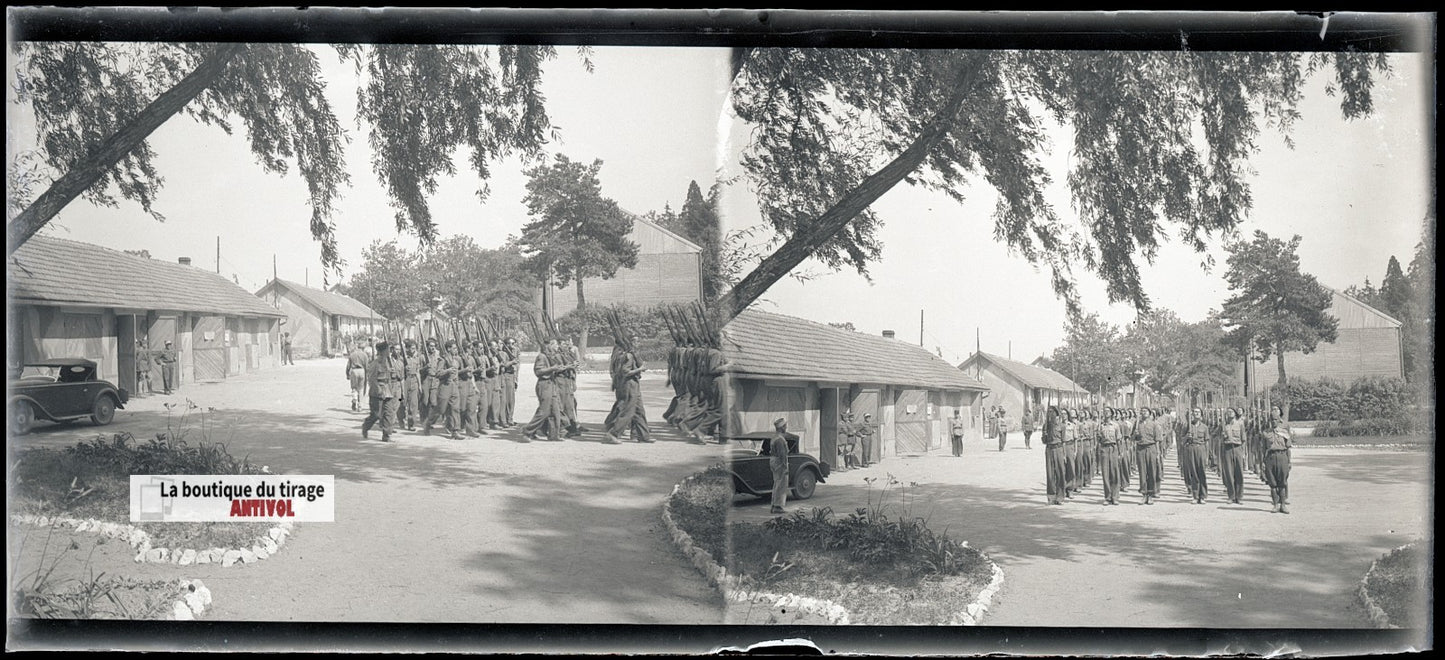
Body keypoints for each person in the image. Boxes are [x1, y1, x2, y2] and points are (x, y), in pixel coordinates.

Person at [603, 335, 651, 444]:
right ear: (631, 343)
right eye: (636, 342)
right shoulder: (628, 356)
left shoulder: (631, 354)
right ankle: (613, 433)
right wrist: (640, 369)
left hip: (635, 384)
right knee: (628, 411)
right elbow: (625, 372)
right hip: (629, 385)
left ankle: (643, 435)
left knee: (639, 411)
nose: (638, 344)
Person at [523, 336, 565, 442]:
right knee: (544, 411)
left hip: (552, 384)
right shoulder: (541, 356)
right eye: (555, 344)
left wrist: (559, 369)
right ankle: (527, 431)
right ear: (550, 345)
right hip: (544, 385)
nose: (557, 346)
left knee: (555, 410)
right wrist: (552, 368)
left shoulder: (550, 356)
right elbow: (538, 372)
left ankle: (554, 435)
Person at [424, 339, 463, 440]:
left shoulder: (456, 359)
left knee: (455, 409)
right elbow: (438, 373)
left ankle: (455, 430)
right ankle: (428, 423)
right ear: (448, 349)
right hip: (445, 386)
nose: (456, 350)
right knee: (440, 409)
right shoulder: (443, 359)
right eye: (454, 348)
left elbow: (457, 373)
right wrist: (447, 370)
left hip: (454, 385)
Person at [361, 340, 399, 442]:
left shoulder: (389, 363)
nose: (389, 352)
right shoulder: (375, 363)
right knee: (376, 415)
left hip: (388, 391)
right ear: (382, 351)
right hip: (377, 392)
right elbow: (372, 380)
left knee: (389, 413)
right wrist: (379, 391)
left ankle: (386, 435)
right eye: (387, 350)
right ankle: (366, 426)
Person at [1265, 410, 1293, 513]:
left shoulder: (1284, 432)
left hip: (1282, 457)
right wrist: (1263, 463)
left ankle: (1283, 505)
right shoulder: (1266, 433)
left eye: (1276, 419)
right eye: (1272, 420)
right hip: (1270, 458)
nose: (1274, 422)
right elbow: (1262, 449)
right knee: (1272, 483)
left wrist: (1289, 462)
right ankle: (1275, 505)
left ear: (1279, 420)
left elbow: (1288, 448)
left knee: (1282, 482)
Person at [1181, 407, 1211, 504]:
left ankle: (1202, 496)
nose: (1196, 413)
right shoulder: (1187, 426)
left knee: (1201, 472)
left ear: (1201, 414)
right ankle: (1195, 495)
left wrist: (1207, 456)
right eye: (1194, 412)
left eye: (1198, 412)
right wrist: (1187, 437)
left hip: (1201, 449)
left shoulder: (1204, 427)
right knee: (1193, 472)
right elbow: (1182, 441)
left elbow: (1207, 442)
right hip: (1191, 449)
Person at [768, 417, 796, 515]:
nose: (786, 427)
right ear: (781, 428)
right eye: (785, 426)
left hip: (773, 460)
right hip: (779, 462)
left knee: (776, 483)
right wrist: (785, 467)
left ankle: (774, 504)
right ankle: (778, 506)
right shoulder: (780, 439)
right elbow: (782, 455)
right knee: (782, 484)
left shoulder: (774, 437)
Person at [1135, 407, 1163, 505]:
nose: (1143, 413)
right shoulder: (1137, 424)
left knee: (1151, 471)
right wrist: (1135, 435)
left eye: (1145, 411)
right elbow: (1132, 438)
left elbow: (1158, 440)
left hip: (1151, 448)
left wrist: (1158, 453)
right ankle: (1144, 494)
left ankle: (1151, 495)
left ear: (1149, 413)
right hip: (1140, 449)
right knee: (1142, 472)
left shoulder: (1154, 424)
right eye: (1142, 411)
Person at [1098, 408, 1124, 505]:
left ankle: (1115, 496)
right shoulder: (1101, 426)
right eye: (1105, 411)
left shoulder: (1116, 425)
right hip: (1104, 448)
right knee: (1105, 474)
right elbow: (1099, 439)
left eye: (1108, 411)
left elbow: (1119, 440)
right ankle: (1107, 497)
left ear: (1112, 414)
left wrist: (1120, 452)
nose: (1106, 413)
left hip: (1113, 449)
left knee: (1114, 473)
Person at [1220, 407, 1246, 504]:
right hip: (1227, 449)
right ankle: (1231, 496)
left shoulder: (1240, 424)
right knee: (1229, 473)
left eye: (1231, 412)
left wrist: (1243, 453)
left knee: (1239, 472)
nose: (1229, 413)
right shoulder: (1223, 425)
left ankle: (1239, 496)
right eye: (1228, 412)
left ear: (1235, 413)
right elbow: (1220, 439)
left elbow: (1244, 439)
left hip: (1237, 448)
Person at [1042, 406, 1066, 505]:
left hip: (1059, 449)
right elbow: (1044, 441)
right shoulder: (1046, 426)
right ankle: (1051, 497)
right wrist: (1045, 434)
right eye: (1049, 412)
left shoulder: (1062, 426)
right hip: (1049, 449)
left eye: (1052, 412)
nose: (1050, 414)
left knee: (1060, 473)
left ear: (1056, 414)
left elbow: (1064, 441)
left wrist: (1064, 454)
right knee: (1050, 474)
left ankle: (1060, 497)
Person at [500, 337, 520, 427]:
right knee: (507, 399)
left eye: (513, 343)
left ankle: (510, 418)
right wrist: (512, 362)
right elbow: (504, 365)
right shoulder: (503, 353)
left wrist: (516, 379)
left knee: (512, 400)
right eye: (509, 344)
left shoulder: (515, 352)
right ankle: (506, 420)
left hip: (512, 376)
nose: (511, 346)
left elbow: (517, 368)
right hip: (507, 375)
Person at [346, 341, 369, 412]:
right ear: (363, 348)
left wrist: (347, 374)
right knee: (361, 388)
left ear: (357, 347)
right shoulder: (365, 355)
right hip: (362, 371)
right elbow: (367, 366)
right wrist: (367, 375)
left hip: (354, 371)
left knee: (354, 387)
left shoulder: (352, 354)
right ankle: (360, 405)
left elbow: (348, 366)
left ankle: (354, 398)